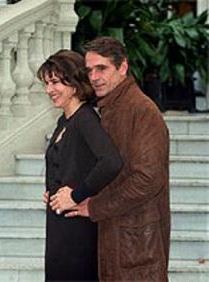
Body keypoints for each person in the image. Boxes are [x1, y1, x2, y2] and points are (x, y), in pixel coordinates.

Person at [69, 36, 171, 281]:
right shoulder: (110, 107)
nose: (93, 77)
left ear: (122, 67)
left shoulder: (141, 111)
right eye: (89, 70)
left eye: (101, 68)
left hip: (137, 243)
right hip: (116, 235)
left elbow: (148, 179)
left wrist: (95, 206)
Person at [37, 50, 123, 281]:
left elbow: (111, 162)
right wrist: (54, 191)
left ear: (74, 84)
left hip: (77, 230)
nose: (49, 90)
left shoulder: (85, 119)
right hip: (60, 224)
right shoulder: (65, 119)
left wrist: (77, 194)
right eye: (47, 83)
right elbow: (70, 162)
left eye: (55, 82)